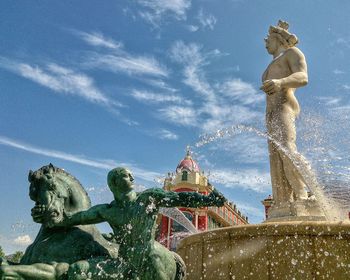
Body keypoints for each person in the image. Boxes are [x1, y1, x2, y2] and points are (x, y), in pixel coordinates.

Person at [53, 167, 226, 279]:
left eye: (130, 174)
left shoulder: (148, 198)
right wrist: (54, 219)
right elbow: (78, 218)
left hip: (149, 257)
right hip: (124, 260)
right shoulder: (107, 210)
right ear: (114, 183)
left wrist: (209, 199)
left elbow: (179, 197)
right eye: (125, 175)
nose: (131, 177)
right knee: (78, 271)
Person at [261, 20, 310, 206]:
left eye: (268, 39)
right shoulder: (269, 66)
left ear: (277, 38)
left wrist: (280, 82)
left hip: (284, 107)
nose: (265, 42)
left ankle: (304, 194)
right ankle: (284, 201)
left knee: (287, 149)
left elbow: (303, 77)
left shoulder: (292, 53)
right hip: (270, 113)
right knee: (276, 159)